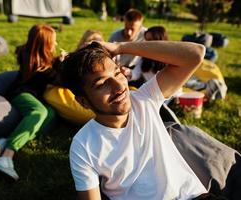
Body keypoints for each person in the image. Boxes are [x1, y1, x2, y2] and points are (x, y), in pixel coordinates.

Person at [59, 40, 217, 199]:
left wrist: (121, 47)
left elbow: (195, 54)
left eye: (117, 73)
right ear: (83, 101)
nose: (119, 87)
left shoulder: (145, 100)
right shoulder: (83, 146)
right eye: (102, 84)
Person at [0, 24, 60, 180]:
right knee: (39, 112)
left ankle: (5, 141)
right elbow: (59, 79)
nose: (56, 44)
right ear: (45, 45)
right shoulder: (43, 68)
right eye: (53, 42)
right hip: (19, 94)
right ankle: (7, 156)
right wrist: (62, 64)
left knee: (50, 113)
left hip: (30, 94)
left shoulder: (31, 56)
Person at [108, 8, 147, 81]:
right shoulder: (115, 36)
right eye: (126, 28)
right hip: (118, 69)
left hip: (138, 68)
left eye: (132, 29)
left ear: (140, 27)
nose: (129, 33)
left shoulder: (146, 35)